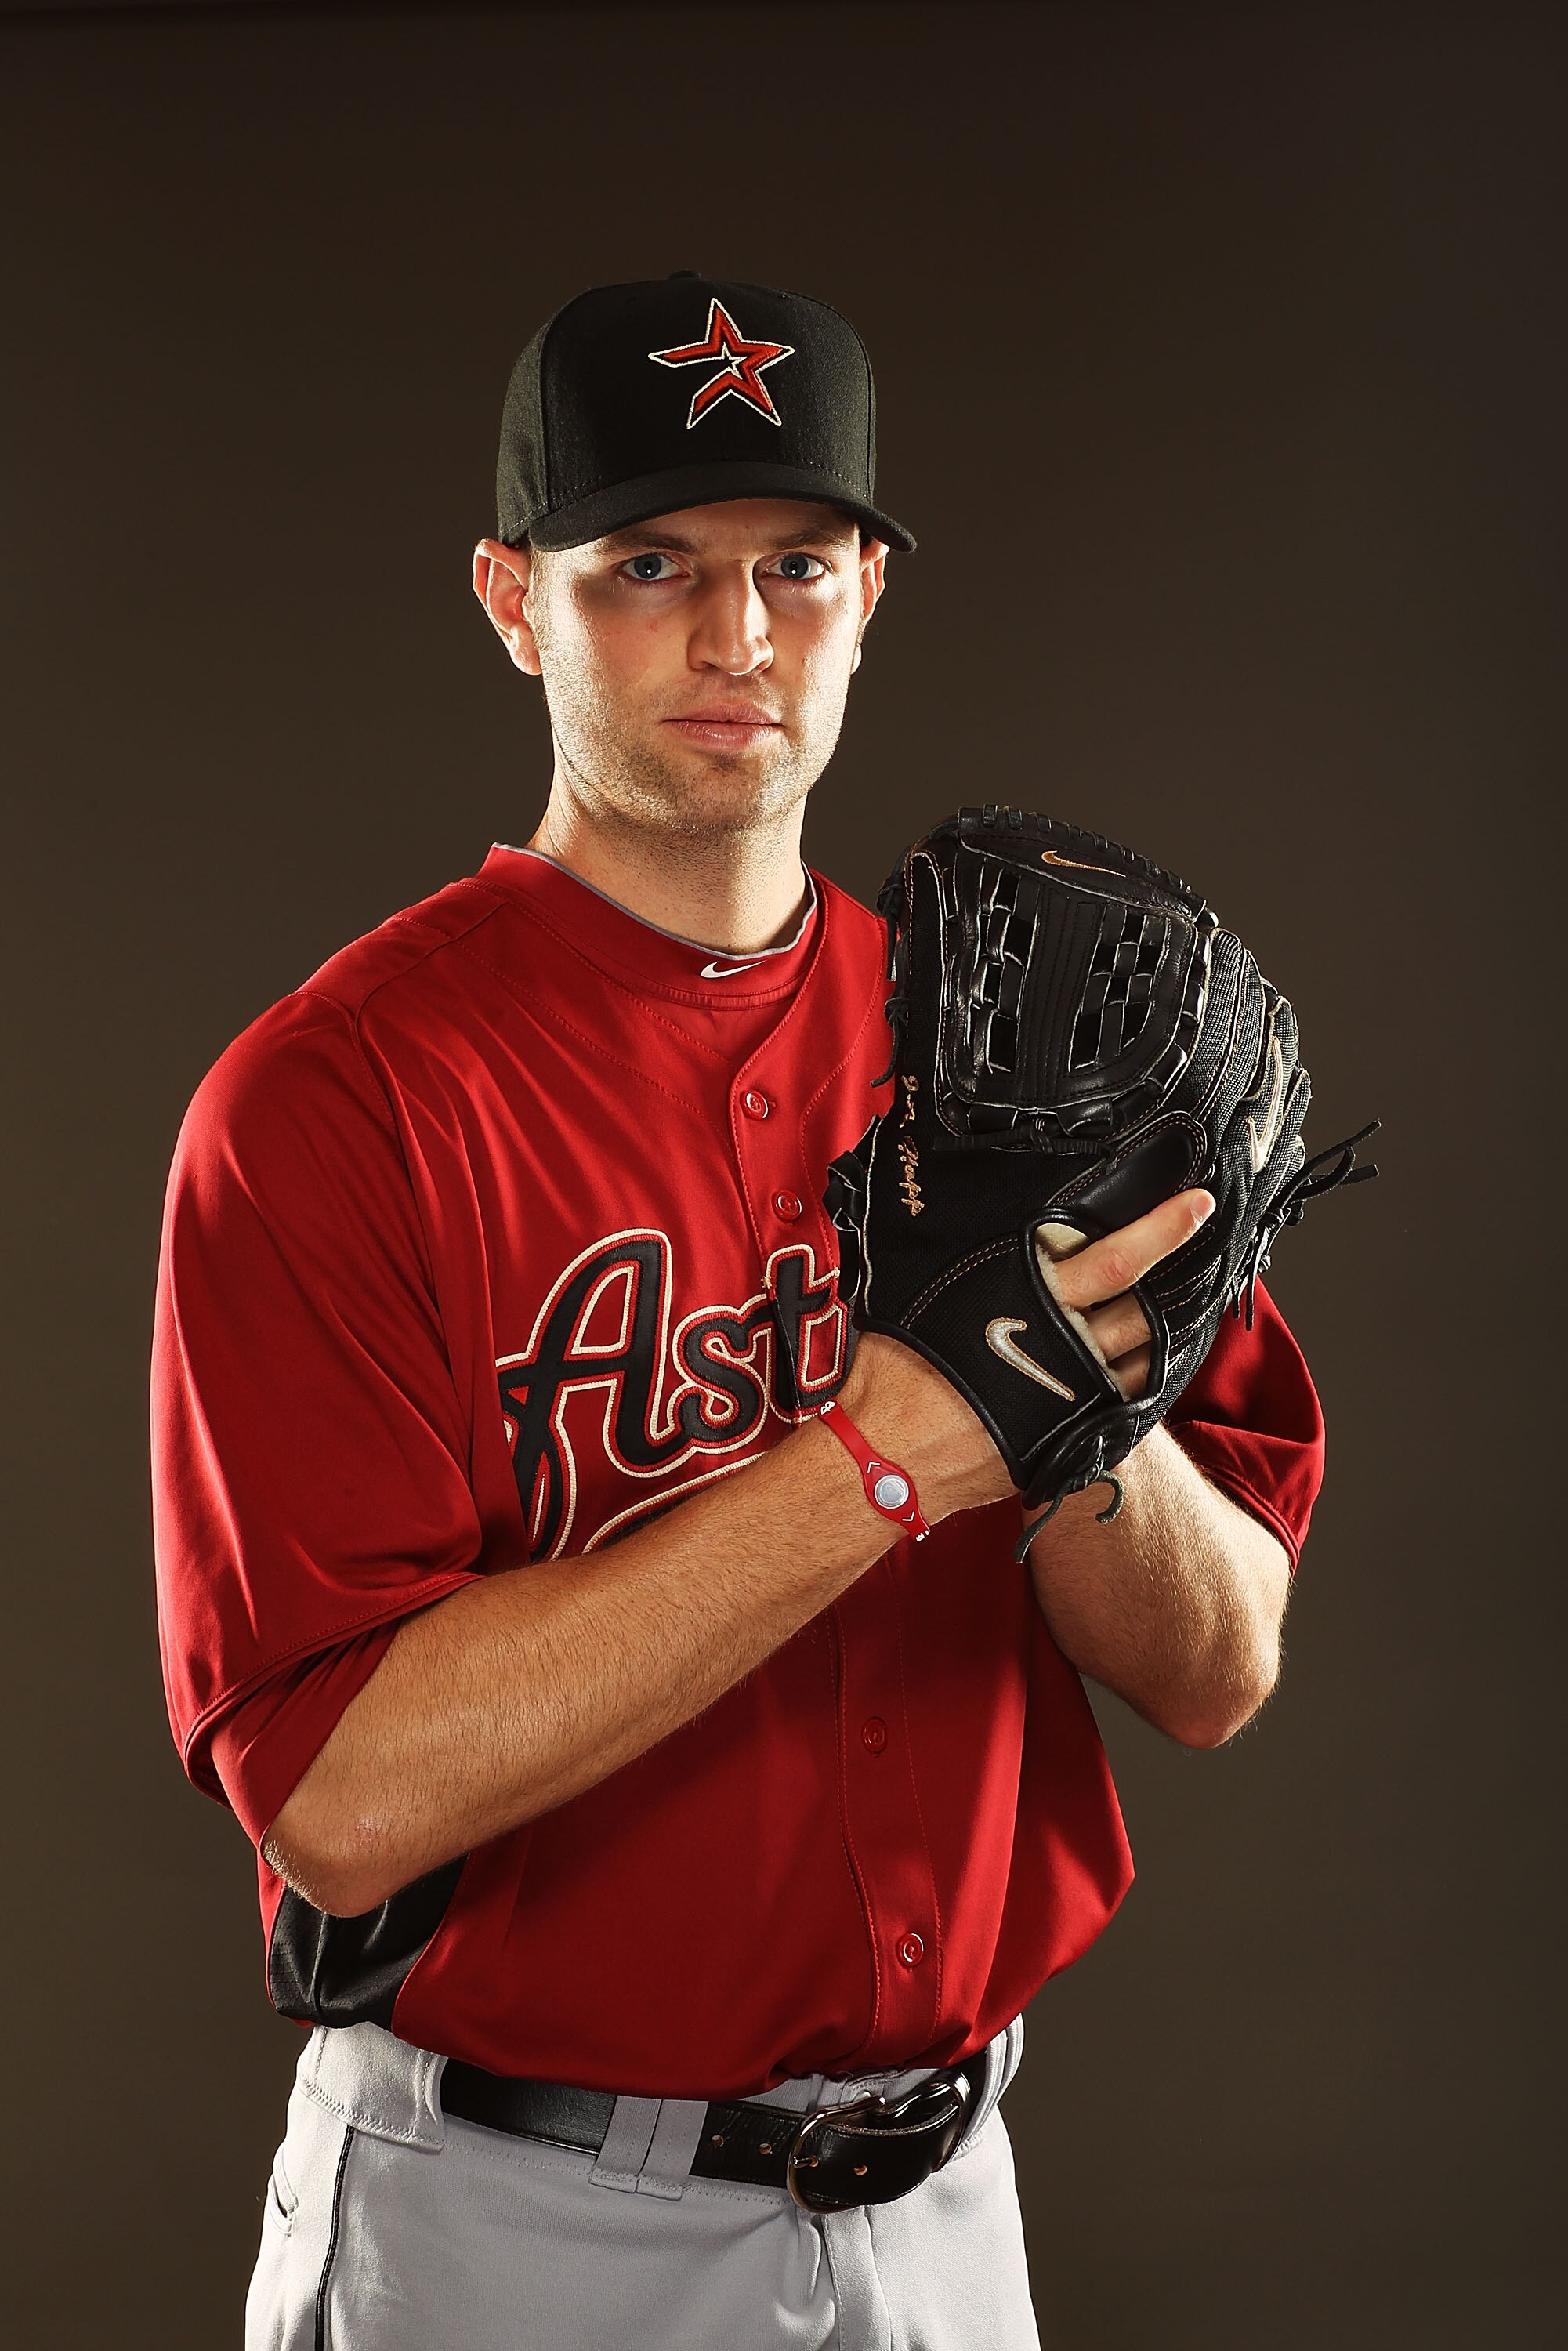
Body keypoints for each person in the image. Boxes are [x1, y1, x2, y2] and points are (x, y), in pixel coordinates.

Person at [152, 273, 1324, 2351]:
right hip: (510, 2223)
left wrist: (1072, 1422)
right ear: (514, 601)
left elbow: (1221, 1664)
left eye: (795, 564)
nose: (737, 637)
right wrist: (887, 1458)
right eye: (649, 569)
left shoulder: (1016, 1056)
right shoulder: (335, 1099)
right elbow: (335, 1794)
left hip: (949, 2206)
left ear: (868, 591)